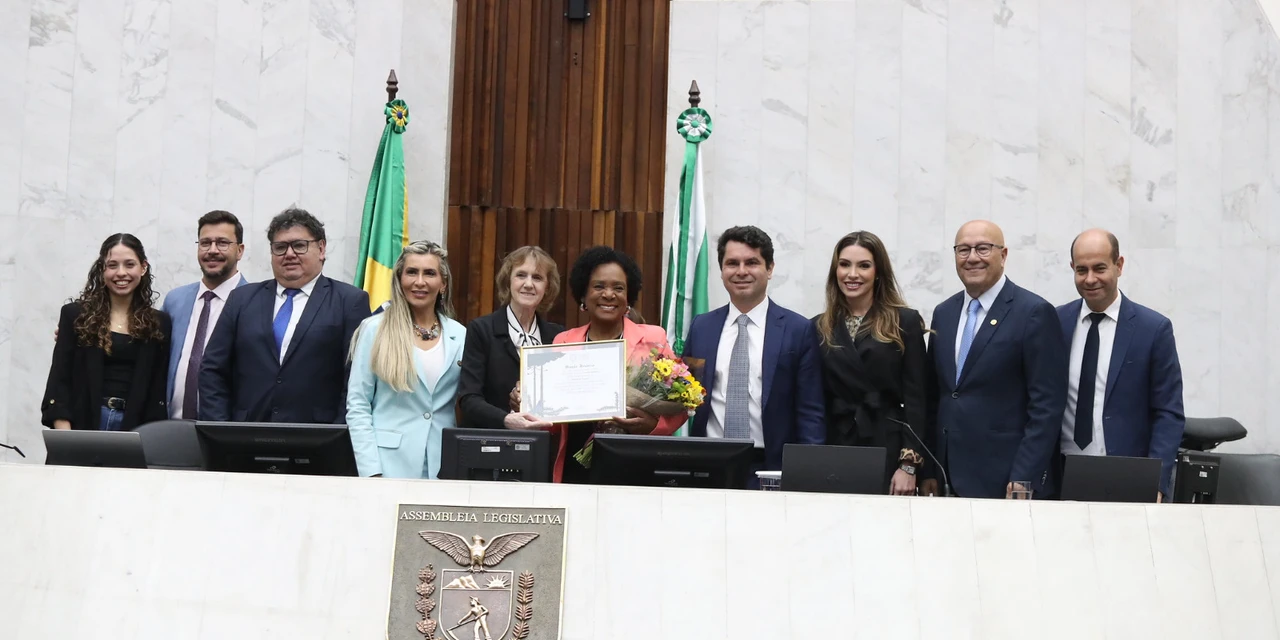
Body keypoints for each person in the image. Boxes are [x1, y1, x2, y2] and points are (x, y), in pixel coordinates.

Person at [927, 220, 1067, 499]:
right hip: (947, 478)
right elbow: (936, 395)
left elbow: (1047, 406)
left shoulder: (1034, 312)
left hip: (1007, 481)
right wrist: (929, 469)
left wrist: (1025, 475)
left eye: (983, 248)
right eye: (963, 250)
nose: (972, 258)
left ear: (1003, 255)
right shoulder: (944, 313)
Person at [199, 208, 371, 423]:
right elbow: (213, 370)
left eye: (299, 245)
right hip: (245, 433)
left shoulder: (350, 301)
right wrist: (221, 429)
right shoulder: (241, 299)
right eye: (280, 247)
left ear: (321, 249)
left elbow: (357, 379)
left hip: (318, 435)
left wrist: (338, 434)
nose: (289, 254)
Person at [682, 226, 825, 477]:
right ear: (721, 270)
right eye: (732, 263)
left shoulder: (797, 330)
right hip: (709, 464)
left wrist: (808, 472)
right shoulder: (701, 327)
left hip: (771, 469)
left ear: (769, 269)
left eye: (751, 262)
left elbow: (810, 411)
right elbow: (685, 395)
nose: (741, 271)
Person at [1055, 229, 1184, 501]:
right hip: (1060, 473)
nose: (1090, 279)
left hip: (1126, 475)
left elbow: (1168, 413)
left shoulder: (1153, 329)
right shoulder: (1055, 323)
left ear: (1119, 265)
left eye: (1100, 268)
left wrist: (1157, 482)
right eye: (1081, 270)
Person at [548, 246, 686, 482]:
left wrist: (653, 425)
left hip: (637, 467)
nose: (609, 294)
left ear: (628, 297)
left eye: (618, 288)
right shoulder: (563, 341)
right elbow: (551, 420)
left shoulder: (654, 338)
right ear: (583, 295)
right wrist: (528, 401)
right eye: (599, 286)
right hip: (576, 469)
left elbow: (681, 404)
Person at [813, 231, 930, 495]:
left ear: (878, 272)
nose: (852, 274)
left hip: (887, 445)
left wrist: (909, 465)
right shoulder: (818, 327)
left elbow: (918, 400)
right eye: (844, 265)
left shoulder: (904, 321)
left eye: (863, 265)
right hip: (835, 444)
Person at [347, 241, 466, 479]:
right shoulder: (374, 329)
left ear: (443, 283)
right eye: (411, 272)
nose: (419, 282)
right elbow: (358, 404)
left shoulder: (460, 334)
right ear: (399, 279)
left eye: (429, 273)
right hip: (387, 466)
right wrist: (371, 471)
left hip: (443, 467)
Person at [42, 234, 172, 431]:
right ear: (102, 269)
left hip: (136, 429)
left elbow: (157, 389)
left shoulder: (159, 323)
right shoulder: (76, 316)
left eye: (130, 264)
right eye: (112, 265)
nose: (121, 273)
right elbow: (59, 382)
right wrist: (66, 437)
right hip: (82, 424)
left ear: (143, 267)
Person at [457, 246, 564, 430]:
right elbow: (468, 398)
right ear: (508, 281)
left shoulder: (557, 336)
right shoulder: (481, 330)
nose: (528, 284)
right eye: (521, 275)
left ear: (547, 287)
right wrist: (506, 419)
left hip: (542, 441)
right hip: (492, 441)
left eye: (537, 277)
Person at [161, 210, 250, 419]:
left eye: (222, 243)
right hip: (171, 426)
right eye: (205, 243)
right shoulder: (175, 300)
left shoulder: (255, 302)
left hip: (226, 429)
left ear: (239, 250)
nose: (212, 250)